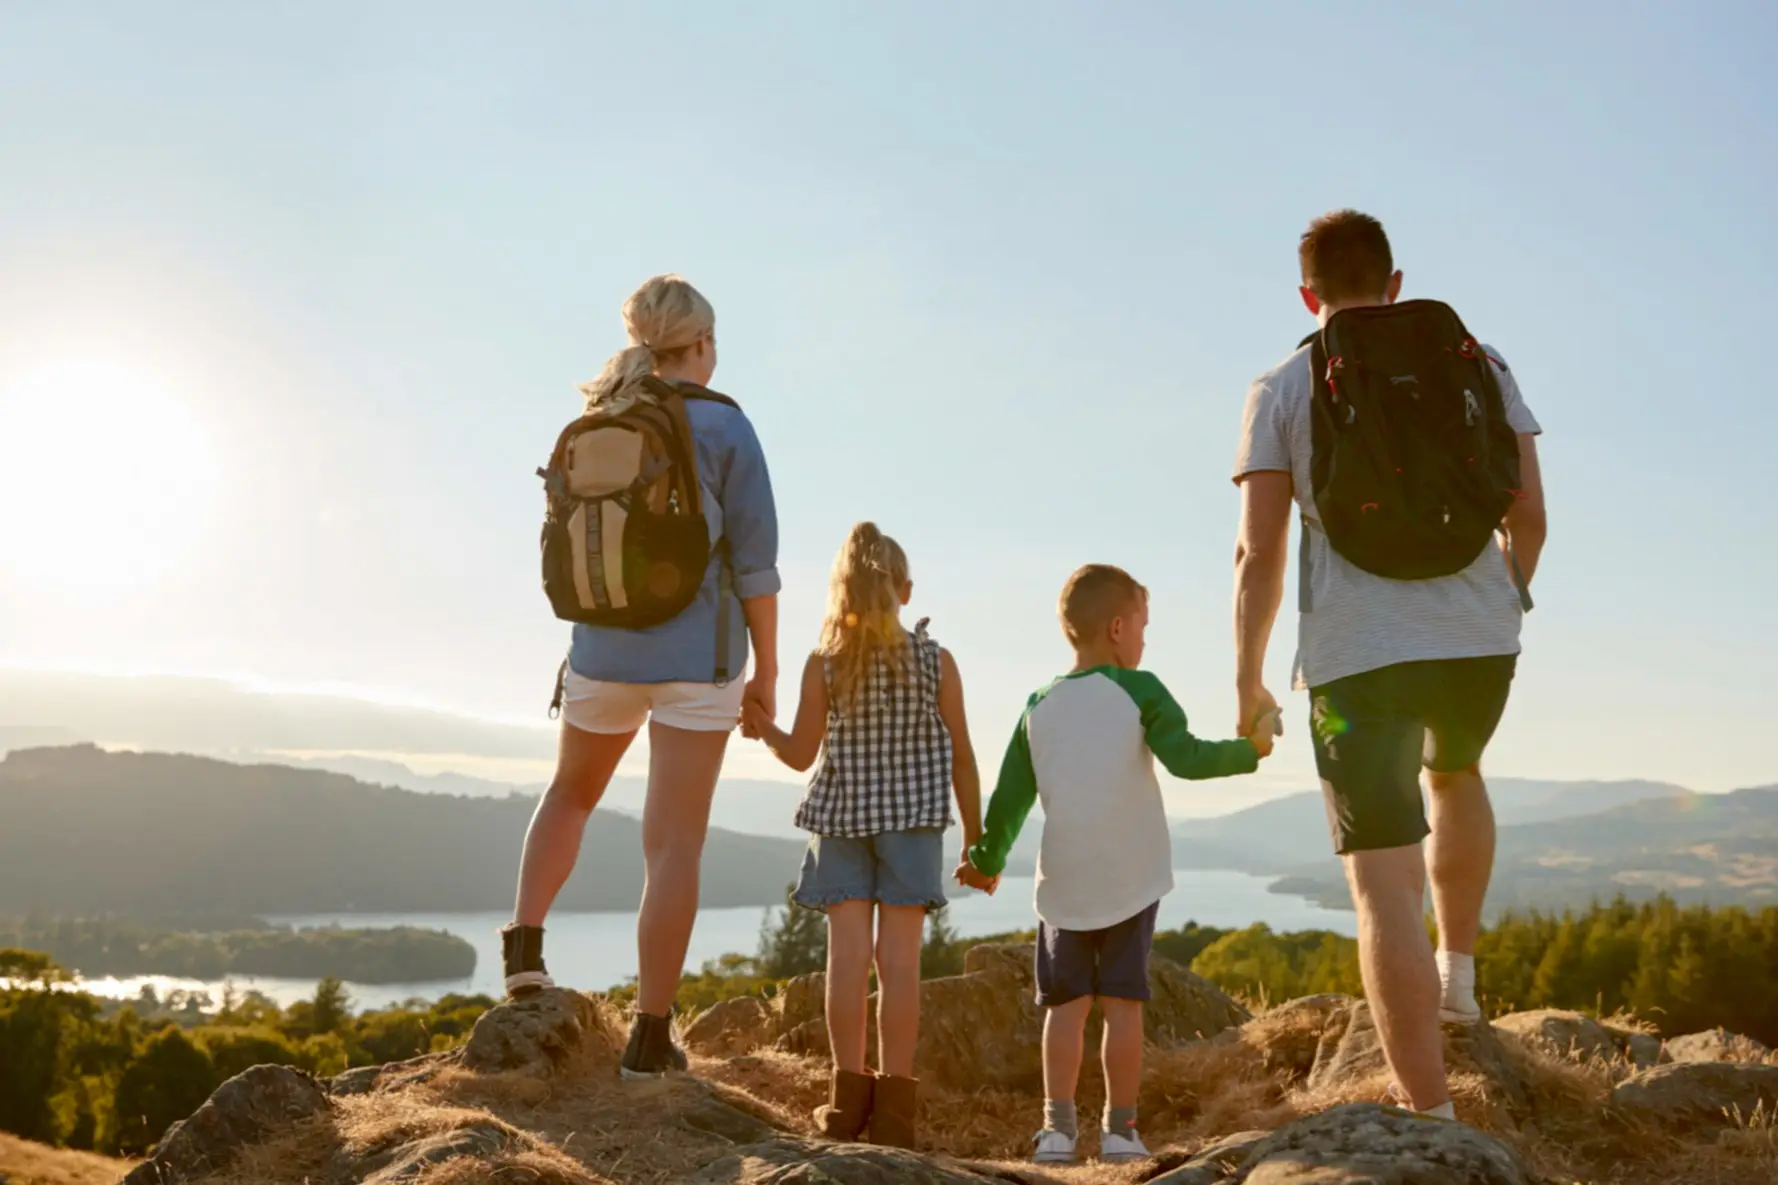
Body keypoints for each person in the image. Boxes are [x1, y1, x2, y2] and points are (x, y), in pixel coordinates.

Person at [1230, 210, 1547, 1118]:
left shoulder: (1282, 385)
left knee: (1382, 882)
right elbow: (1529, 515)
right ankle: (1459, 977)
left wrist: (1249, 676)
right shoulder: (1479, 362)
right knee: (1456, 774)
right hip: (1479, 640)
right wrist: (1507, 594)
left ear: (1308, 295)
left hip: (1355, 658)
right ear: (1395, 282)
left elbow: (1259, 553)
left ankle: (1431, 1116)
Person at [503, 274, 781, 1080]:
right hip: (699, 660)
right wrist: (766, 672)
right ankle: (649, 1039)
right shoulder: (725, 425)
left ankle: (523, 953)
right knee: (673, 844)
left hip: (601, 651)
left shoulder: (602, 415)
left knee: (569, 794)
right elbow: (756, 568)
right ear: (702, 344)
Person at [958, 564, 1275, 1165]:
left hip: (1065, 885)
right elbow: (1186, 758)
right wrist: (1250, 750)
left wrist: (985, 861)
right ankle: (1121, 1133)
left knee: (1065, 1010)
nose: (1145, 641)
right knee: (1123, 1008)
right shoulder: (1142, 689)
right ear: (1118, 628)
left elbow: (1010, 800)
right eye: (1144, 628)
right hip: (1131, 879)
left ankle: (1056, 1133)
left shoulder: (1038, 706)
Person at [742, 522, 982, 1150]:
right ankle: (896, 1111)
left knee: (846, 963)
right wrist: (976, 840)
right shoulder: (937, 661)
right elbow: (962, 756)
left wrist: (762, 727)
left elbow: (800, 755)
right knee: (899, 967)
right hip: (914, 824)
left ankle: (845, 1103)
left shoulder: (824, 663)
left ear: (840, 592)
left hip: (841, 820)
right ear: (905, 589)